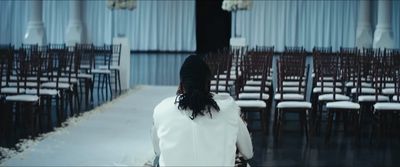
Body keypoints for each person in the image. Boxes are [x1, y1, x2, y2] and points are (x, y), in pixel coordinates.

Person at [152, 55, 253, 166]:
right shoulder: (229, 109)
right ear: (209, 86)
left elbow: (157, 151)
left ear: (181, 86)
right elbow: (248, 153)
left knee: (157, 160)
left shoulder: (162, 110)